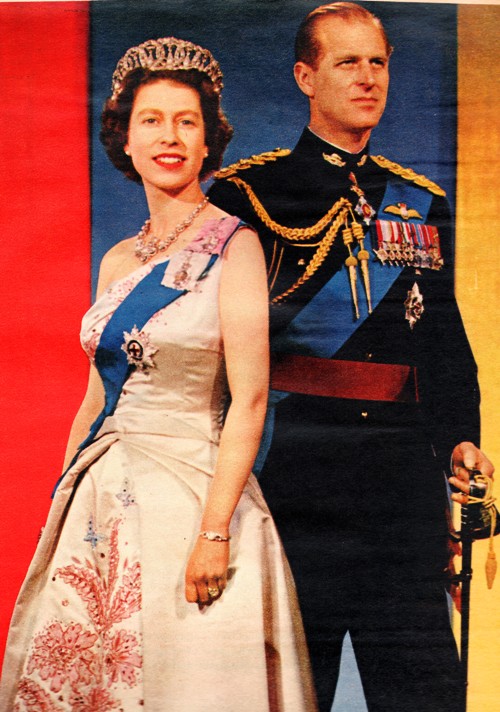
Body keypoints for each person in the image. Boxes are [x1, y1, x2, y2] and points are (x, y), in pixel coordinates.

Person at [0, 38, 317, 712]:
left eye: (186, 121)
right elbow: (97, 395)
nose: (169, 137)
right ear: (126, 137)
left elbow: (250, 399)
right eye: (151, 120)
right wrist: (62, 497)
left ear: (208, 142)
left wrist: (214, 533)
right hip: (102, 497)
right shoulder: (118, 260)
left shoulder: (236, 247)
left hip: (195, 498)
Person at [209, 4, 494, 711]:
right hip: (294, 478)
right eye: (347, 62)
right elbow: (215, 357)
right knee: (290, 694)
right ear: (306, 77)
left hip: (402, 486)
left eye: (378, 62)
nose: (368, 78)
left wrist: (461, 440)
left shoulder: (419, 201)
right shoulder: (247, 195)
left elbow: (444, 344)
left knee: (425, 694)